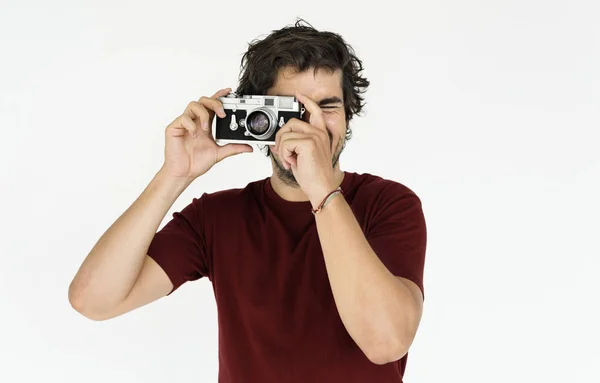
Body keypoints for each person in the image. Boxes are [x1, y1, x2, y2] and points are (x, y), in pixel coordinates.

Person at [68, 19, 427, 383]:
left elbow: (386, 343)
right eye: (292, 109)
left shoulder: (389, 204)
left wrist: (320, 189)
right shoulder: (217, 217)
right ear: (258, 117)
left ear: (349, 116)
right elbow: (93, 300)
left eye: (327, 107)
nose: (311, 125)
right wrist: (174, 175)